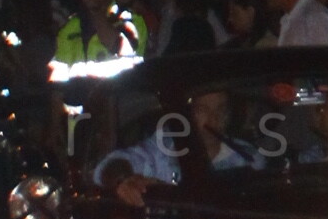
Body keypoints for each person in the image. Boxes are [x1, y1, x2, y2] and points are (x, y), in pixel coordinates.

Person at [97, 80, 251, 204]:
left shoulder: (248, 158)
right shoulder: (162, 148)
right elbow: (112, 164)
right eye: (203, 109)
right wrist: (124, 181)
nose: (214, 119)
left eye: (221, 110)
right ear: (189, 113)